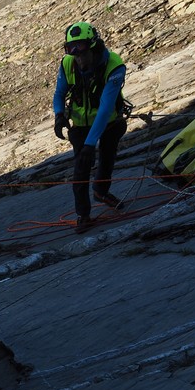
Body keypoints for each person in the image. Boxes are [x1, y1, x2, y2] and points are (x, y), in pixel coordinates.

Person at [52, 21, 128, 232]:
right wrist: (59, 115)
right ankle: (83, 215)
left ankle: (101, 191)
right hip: (81, 124)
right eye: (71, 50)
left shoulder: (114, 66)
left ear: (93, 46)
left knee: (107, 155)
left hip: (110, 121)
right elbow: (59, 93)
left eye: (82, 50)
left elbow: (105, 108)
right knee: (81, 168)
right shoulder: (68, 63)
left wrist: (90, 143)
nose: (78, 56)